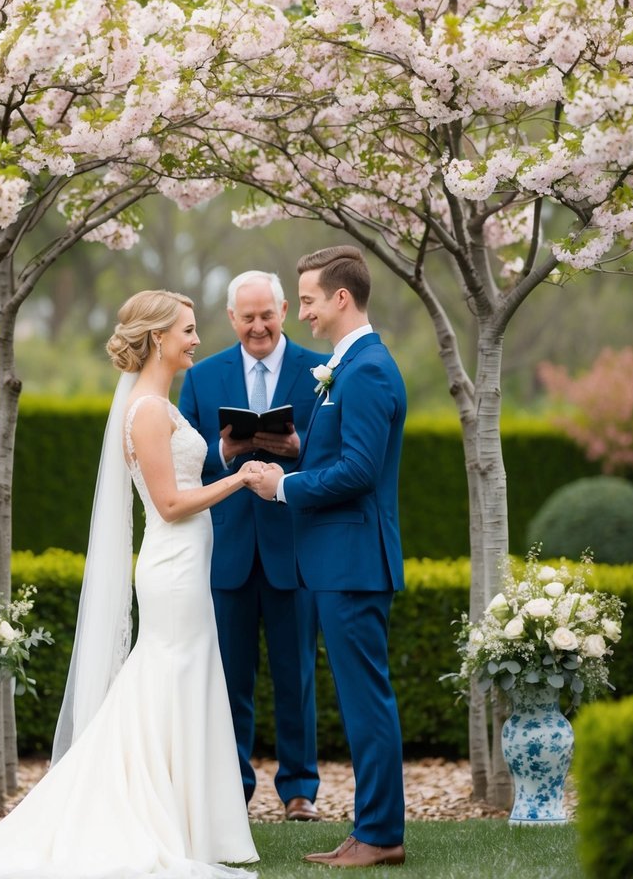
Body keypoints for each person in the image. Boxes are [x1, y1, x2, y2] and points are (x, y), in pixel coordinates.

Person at [0, 289, 258, 879]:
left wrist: (223, 458)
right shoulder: (147, 410)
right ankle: (146, 815)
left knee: (181, 680)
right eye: (188, 330)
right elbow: (171, 503)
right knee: (167, 679)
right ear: (156, 339)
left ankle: (188, 821)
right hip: (172, 569)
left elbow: (178, 477)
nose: (197, 340)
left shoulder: (158, 404)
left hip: (185, 567)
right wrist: (242, 479)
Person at [244, 247, 407, 869]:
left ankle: (381, 836)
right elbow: (342, 450)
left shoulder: (365, 368)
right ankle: (370, 829)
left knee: (367, 702)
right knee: (363, 700)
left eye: (307, 300)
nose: (301, 312)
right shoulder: (350, 364)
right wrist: (298, 447)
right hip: (338, 561)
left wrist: (282, 485)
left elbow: (361, 471)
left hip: (353, 561)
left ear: (342, 298)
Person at [178, 271, 321, 820]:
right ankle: (232, 787)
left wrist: (297, 444)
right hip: (228, 547)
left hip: (294, 544)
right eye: (247, 317)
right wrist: (225, 449)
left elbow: (337, 452)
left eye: (268, 314)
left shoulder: (321, 371)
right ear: (231, 317)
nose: (258, 326)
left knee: (297, 675)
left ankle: (299, 790)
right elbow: (188, 458)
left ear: (284, 309)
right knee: (230, 677)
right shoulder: (203, 376)